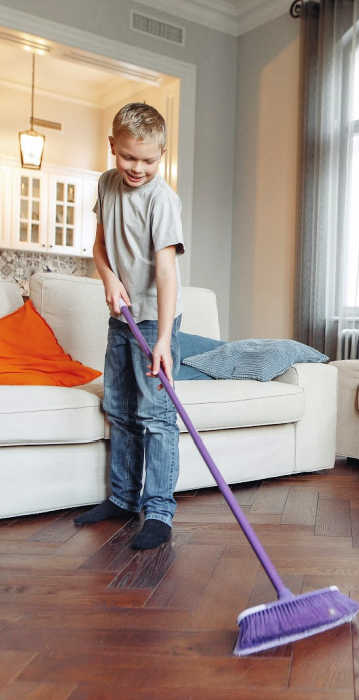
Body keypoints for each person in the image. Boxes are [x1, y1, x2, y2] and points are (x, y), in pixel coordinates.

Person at [73, 103, 185, 550]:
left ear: (162, 154)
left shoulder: (163, 199)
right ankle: (122, 499)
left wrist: (162, 340)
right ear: (112, 147)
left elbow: (166, 271)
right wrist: (109, 277)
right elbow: (98, 247)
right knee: (120, 411)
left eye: (149, 160)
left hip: (155, 318)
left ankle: (158, 512)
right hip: (122, 319)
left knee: (156, 418)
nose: (138, 168)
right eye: (128, 157)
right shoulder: (105, 184)